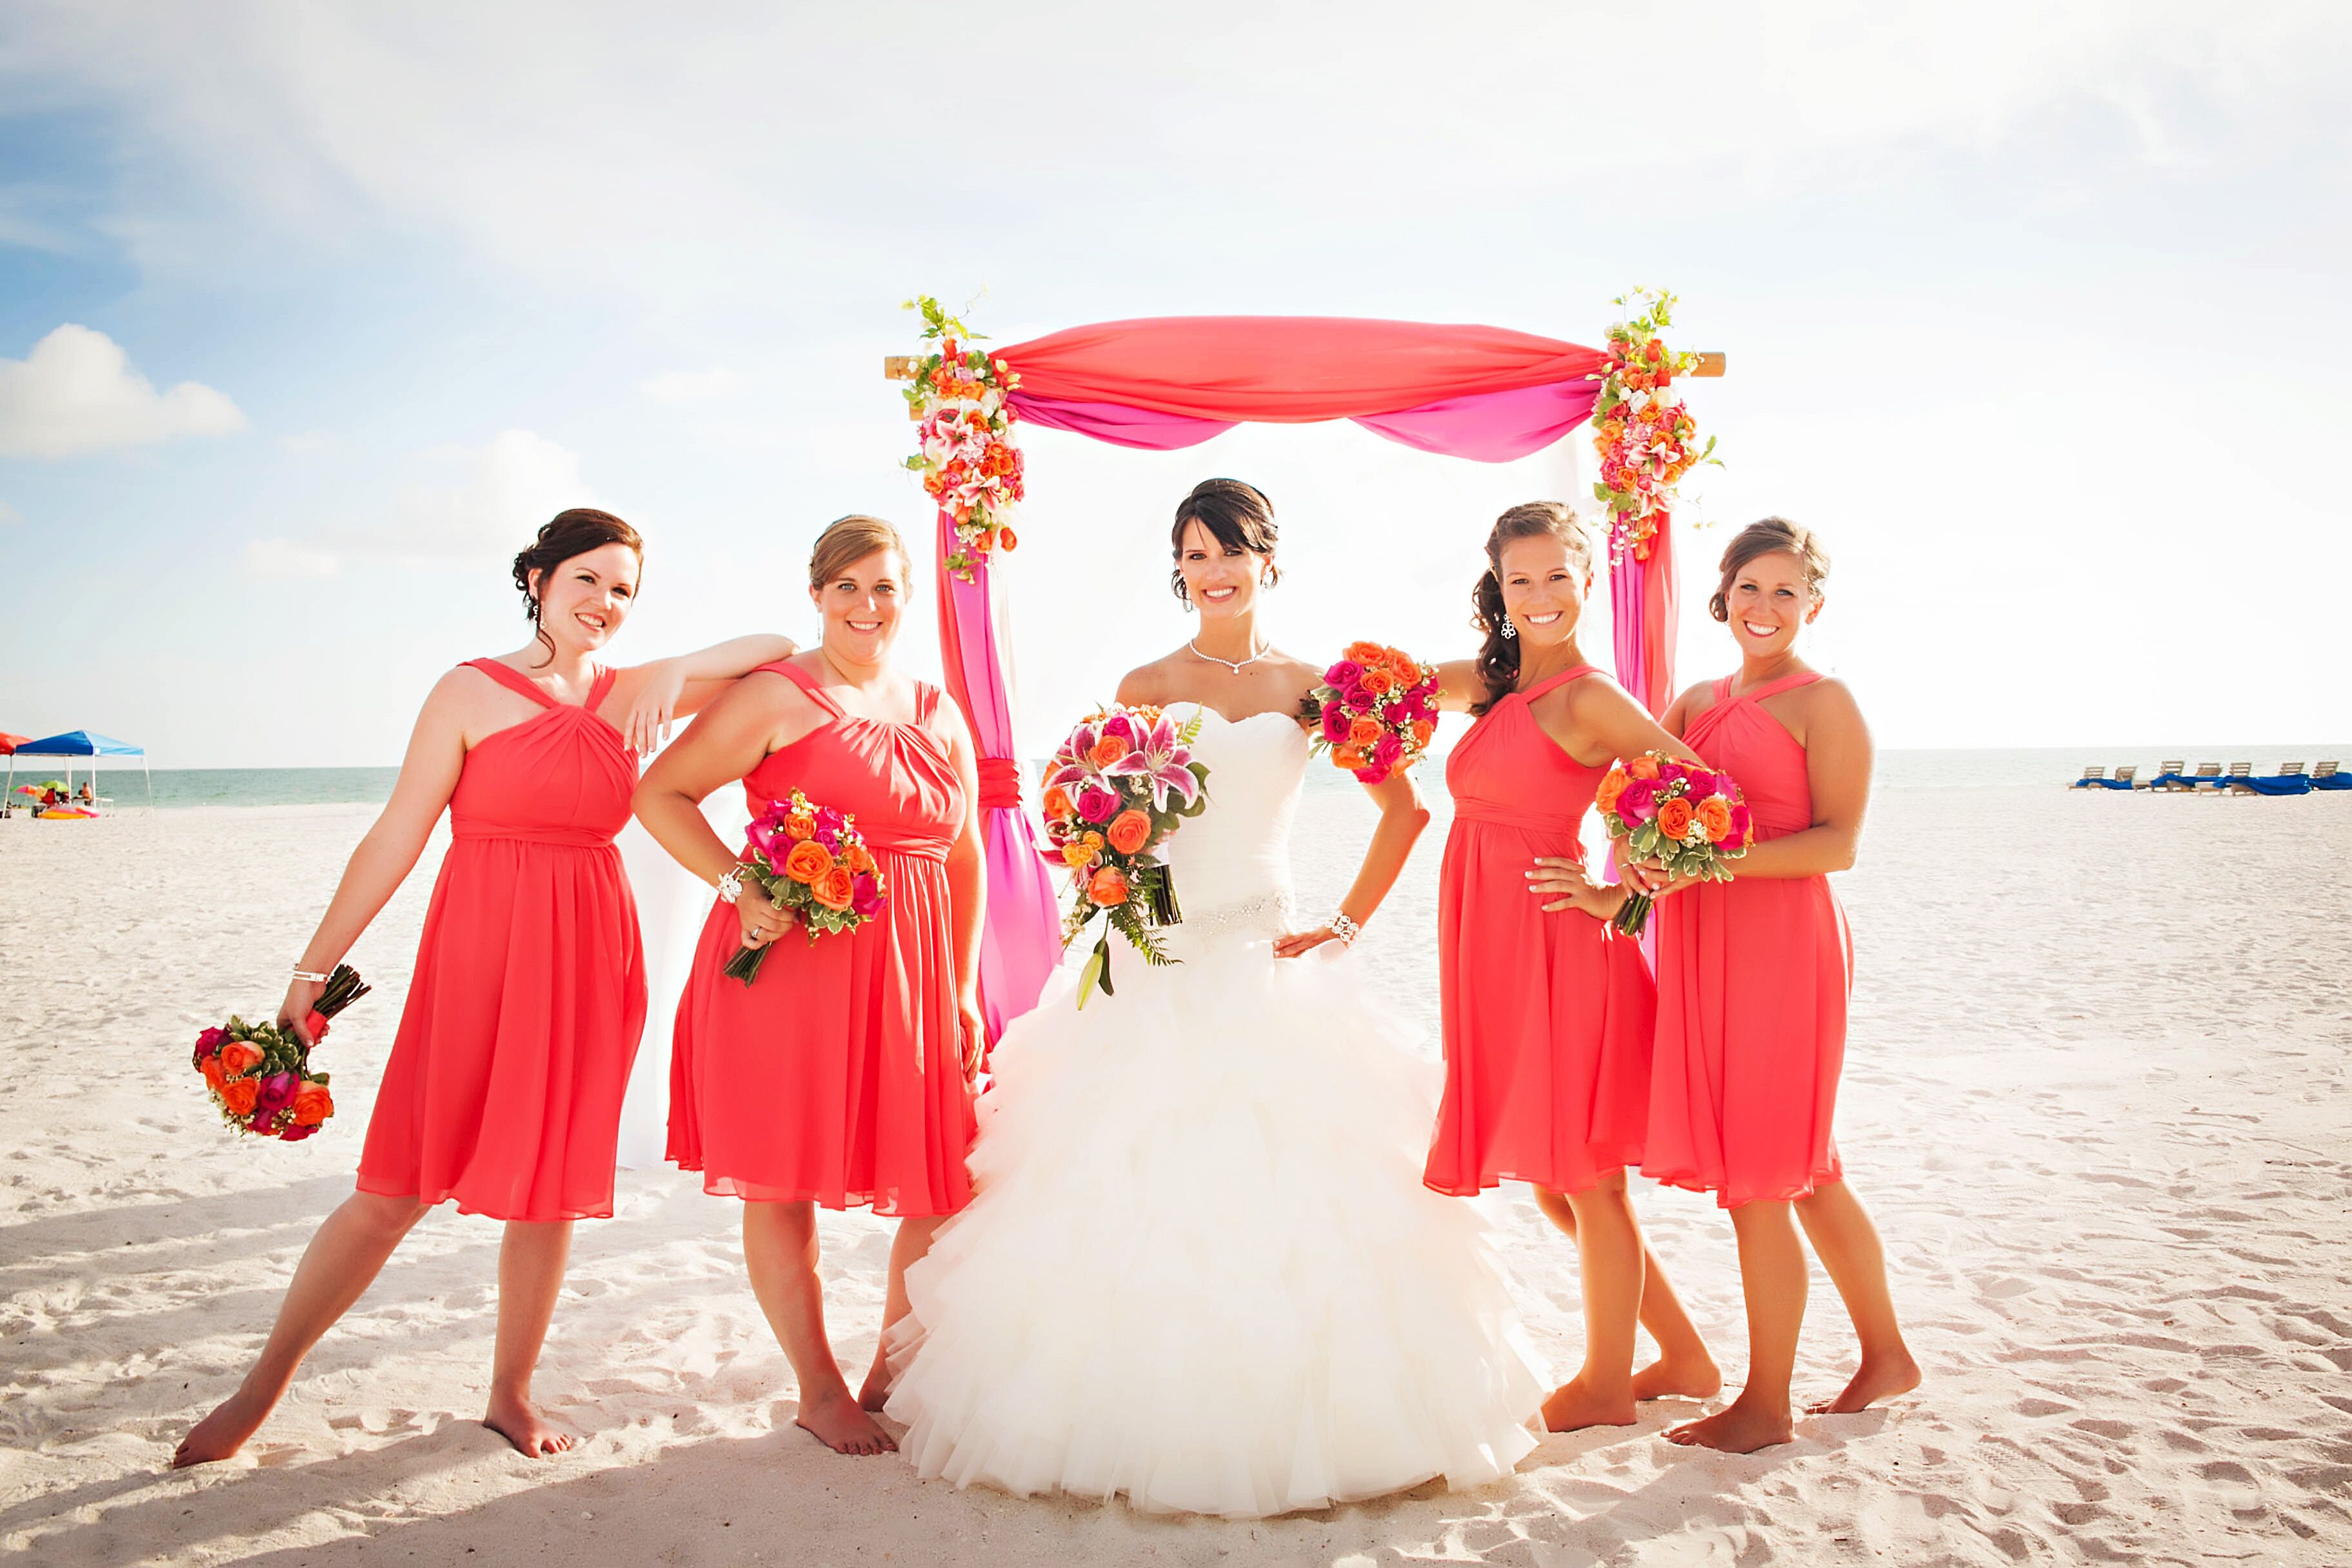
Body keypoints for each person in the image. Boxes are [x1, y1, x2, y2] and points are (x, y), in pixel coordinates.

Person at [884, 479, 1544, 1518]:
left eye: (1229, 549)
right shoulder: (1145, 681)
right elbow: (1102, 810)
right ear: (1178, 568)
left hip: (1262, 958)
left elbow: (1405, 812)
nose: (1212, 569)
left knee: (1294, 1189)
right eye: (1193, 554)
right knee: (1110, 1183)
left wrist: (1343, 923)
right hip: (1150, 962)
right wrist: (1101, 854)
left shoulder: (1312, 684)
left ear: (1268, 559)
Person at [174, 507, 797, 1467]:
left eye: (623, 589)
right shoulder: (469, 690)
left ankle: (510, 1392)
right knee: (396, 1185)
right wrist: (309, 971)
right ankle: (262, 1387)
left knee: (548, 1192)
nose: (603, 602)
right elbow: (395, 836)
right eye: (585, 578)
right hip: (481, 951)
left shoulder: (635, 691)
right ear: (538, 578)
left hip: (593, 953)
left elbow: (776, 646)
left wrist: (673, 670)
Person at [634, 515, 985, 1458]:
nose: (866, 607)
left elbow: (965, 855)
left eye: (884, 589)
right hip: (789, 970)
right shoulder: (776, 697)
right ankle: (818, 1388)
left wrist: (957, 983)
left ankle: (890, 1368)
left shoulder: (937, 707)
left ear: (906, 597)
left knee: (940, 1176)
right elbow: (659, 793)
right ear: (817, 595)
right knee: (781, 1182)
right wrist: (738, 885)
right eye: (847, 589)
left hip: (911, 971)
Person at [1424, 501, 1722, 1430]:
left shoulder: (1591, 698)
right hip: (1494, 955)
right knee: (1557, 1179)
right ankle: (1681, 1354)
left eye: (1559, 575)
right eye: (1522, 579)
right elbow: (1365, 691)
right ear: (1498, 590)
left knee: (1589, 1179)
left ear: (1588, 580)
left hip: (1562, 954)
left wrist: (1618, 897)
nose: (1542, 594)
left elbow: (1709, 812)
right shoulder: (1498, 684)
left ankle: (1605, 1382)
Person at [1639, 517, 1920, 1452]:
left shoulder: (1822, 702)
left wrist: (1711, 861)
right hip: (1696, 941)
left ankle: (1764, 1406)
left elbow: (1837, 842)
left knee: (1764, 1173)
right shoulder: (1690, 700)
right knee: (1806, 1167)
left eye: (1786, 592)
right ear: (1722, 593)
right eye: (1749, 587)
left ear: (1813, 605)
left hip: (1779, 950)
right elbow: (1638, 815)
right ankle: (1886, 1355)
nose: (1765, 607)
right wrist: (1624, 883)